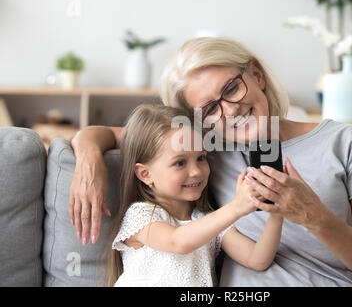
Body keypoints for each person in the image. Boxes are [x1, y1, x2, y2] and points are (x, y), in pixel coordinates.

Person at [70, 37, 352, 286]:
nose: (230, 110)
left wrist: (313, 216)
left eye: (232, 88)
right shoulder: (202, 149)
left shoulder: (345, 141)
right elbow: (114, 135)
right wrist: (88, 158)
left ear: (256, 75)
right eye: (210, 109)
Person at [108, 104, 283, 286]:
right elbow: (178, 242)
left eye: (201, 158)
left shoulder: (208, 222)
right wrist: (236, 208)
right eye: (180, 163)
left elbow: (257, 259)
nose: (196, 172)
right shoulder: (140, 215)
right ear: (146, 174)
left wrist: (277, 214)